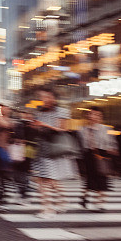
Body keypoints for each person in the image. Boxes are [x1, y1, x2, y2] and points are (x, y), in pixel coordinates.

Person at [32, 87, 77, 218]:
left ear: (53, 98)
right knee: (44, 179)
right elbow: (39, 129)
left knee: (46, 179)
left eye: (46, 97)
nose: (43, 100)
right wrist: (35, 127)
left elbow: (63, 129)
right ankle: (62, 200)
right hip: (41, 148)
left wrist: (44, 125)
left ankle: (48, 210)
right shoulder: (40, 112)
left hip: (54, 149)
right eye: (41, 97)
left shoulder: (62, 111)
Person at [78, 107, 118, 211]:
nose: (95, 117)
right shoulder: (83, 129)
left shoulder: (107, 129)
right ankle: (85, 197)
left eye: (98, 115)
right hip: (88, 156)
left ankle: (99, 203)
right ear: (88, 116)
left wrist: (112, 151)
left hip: (103, 155)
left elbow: (112, 143)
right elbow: (81, 145)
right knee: (91, 179)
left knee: (102, 179)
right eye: (92, 114)